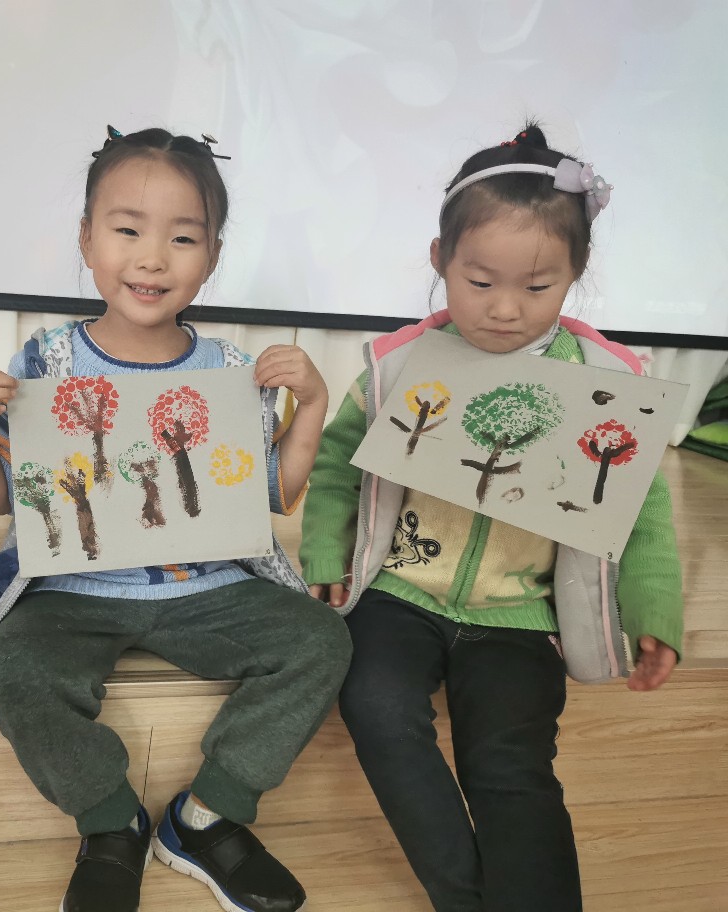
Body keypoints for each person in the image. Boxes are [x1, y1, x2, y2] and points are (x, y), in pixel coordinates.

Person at [0, 125, 351, 912]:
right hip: (71, 590)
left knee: (321, 640)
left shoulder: (231, 370)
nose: (153, 258)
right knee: (16, 670)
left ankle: (207, 815)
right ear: (86, 239)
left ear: (213, 255)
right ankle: (109, 819)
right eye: (127, 230)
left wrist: (312, 408)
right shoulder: (47, 362)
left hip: (208, 586)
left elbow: (273, 491)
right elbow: (5, 497)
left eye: (183, 237)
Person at [299, 124, 682, 912]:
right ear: (440, 261)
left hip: (522, 615)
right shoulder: (400, 365)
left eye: (538, 287)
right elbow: (339, 464)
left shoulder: (606, 381)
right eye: (479, 282)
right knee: (375, 706)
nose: (506, 309)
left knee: (510, 766)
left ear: (576, 274)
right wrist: (326, 555)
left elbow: (640, 512)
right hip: (400, 593)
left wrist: (654, 612)